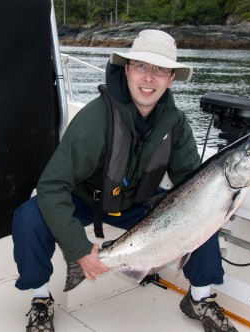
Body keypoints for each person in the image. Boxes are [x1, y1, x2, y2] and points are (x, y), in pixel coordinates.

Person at [12, 30, 237, 332]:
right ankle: (40, 299)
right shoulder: (96, 119)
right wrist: (80, 248)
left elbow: (190, 185)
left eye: (159, 70)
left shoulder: (176, 123)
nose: (149, 78)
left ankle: (199, 298)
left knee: (202, 212)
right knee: (28, 217)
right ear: (127, 69)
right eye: (142, 66)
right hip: (85, 200)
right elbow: (53, 186)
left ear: (171, 78)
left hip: (137, 202)